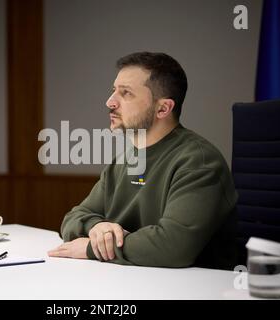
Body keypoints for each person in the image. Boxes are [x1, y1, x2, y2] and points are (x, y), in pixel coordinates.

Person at [48, 52, 238, 269]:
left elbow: (172, 248)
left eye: (126, 93)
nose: (110, 102)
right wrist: (96, 227)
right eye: (113, 91)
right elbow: (73, 218)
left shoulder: (199, 162)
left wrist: (92, 248)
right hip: (136, 280)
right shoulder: (123, 159)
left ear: (163, 108)